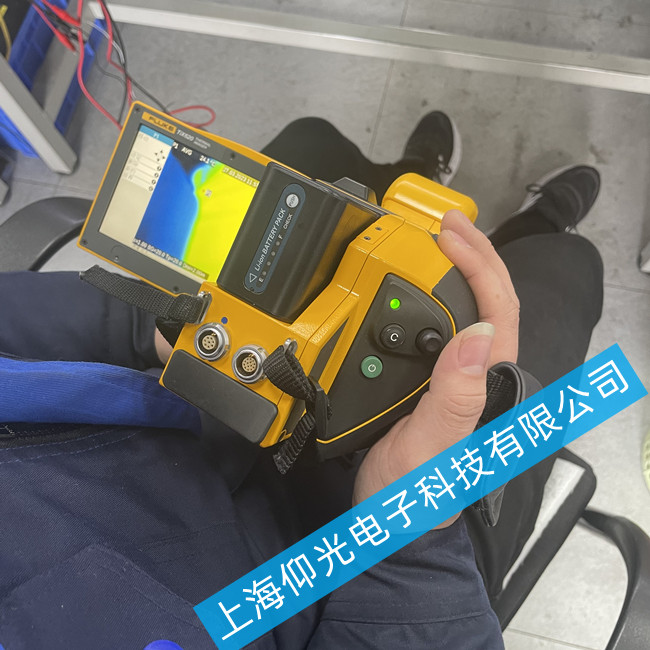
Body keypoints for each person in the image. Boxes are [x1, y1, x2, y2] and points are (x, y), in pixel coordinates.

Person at [0, 111, 603, 649]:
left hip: (199, 383)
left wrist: (158, 328)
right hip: (367, 552)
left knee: (314, 145)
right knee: (565, 273)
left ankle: (416, 178)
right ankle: (542, 224)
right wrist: (410, 527)